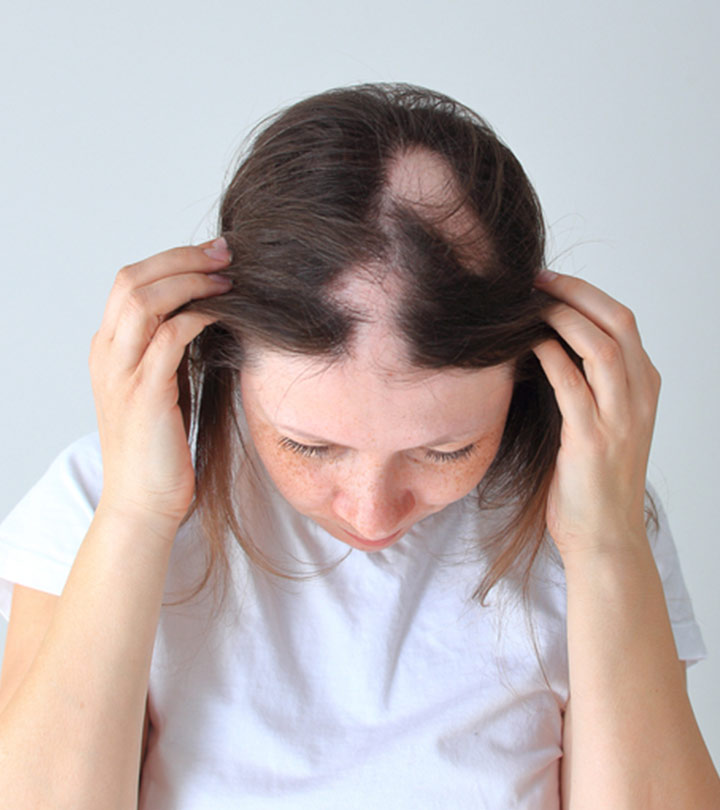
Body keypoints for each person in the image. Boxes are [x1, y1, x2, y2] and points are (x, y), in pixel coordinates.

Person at [0, 82, 717, 809]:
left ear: (528, 378)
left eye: (445, 451)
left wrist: (607, 544)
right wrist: (136, 514)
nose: (372, 515)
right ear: (227, 358)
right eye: (309, 447)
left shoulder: (592, 510)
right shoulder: (101, 497)